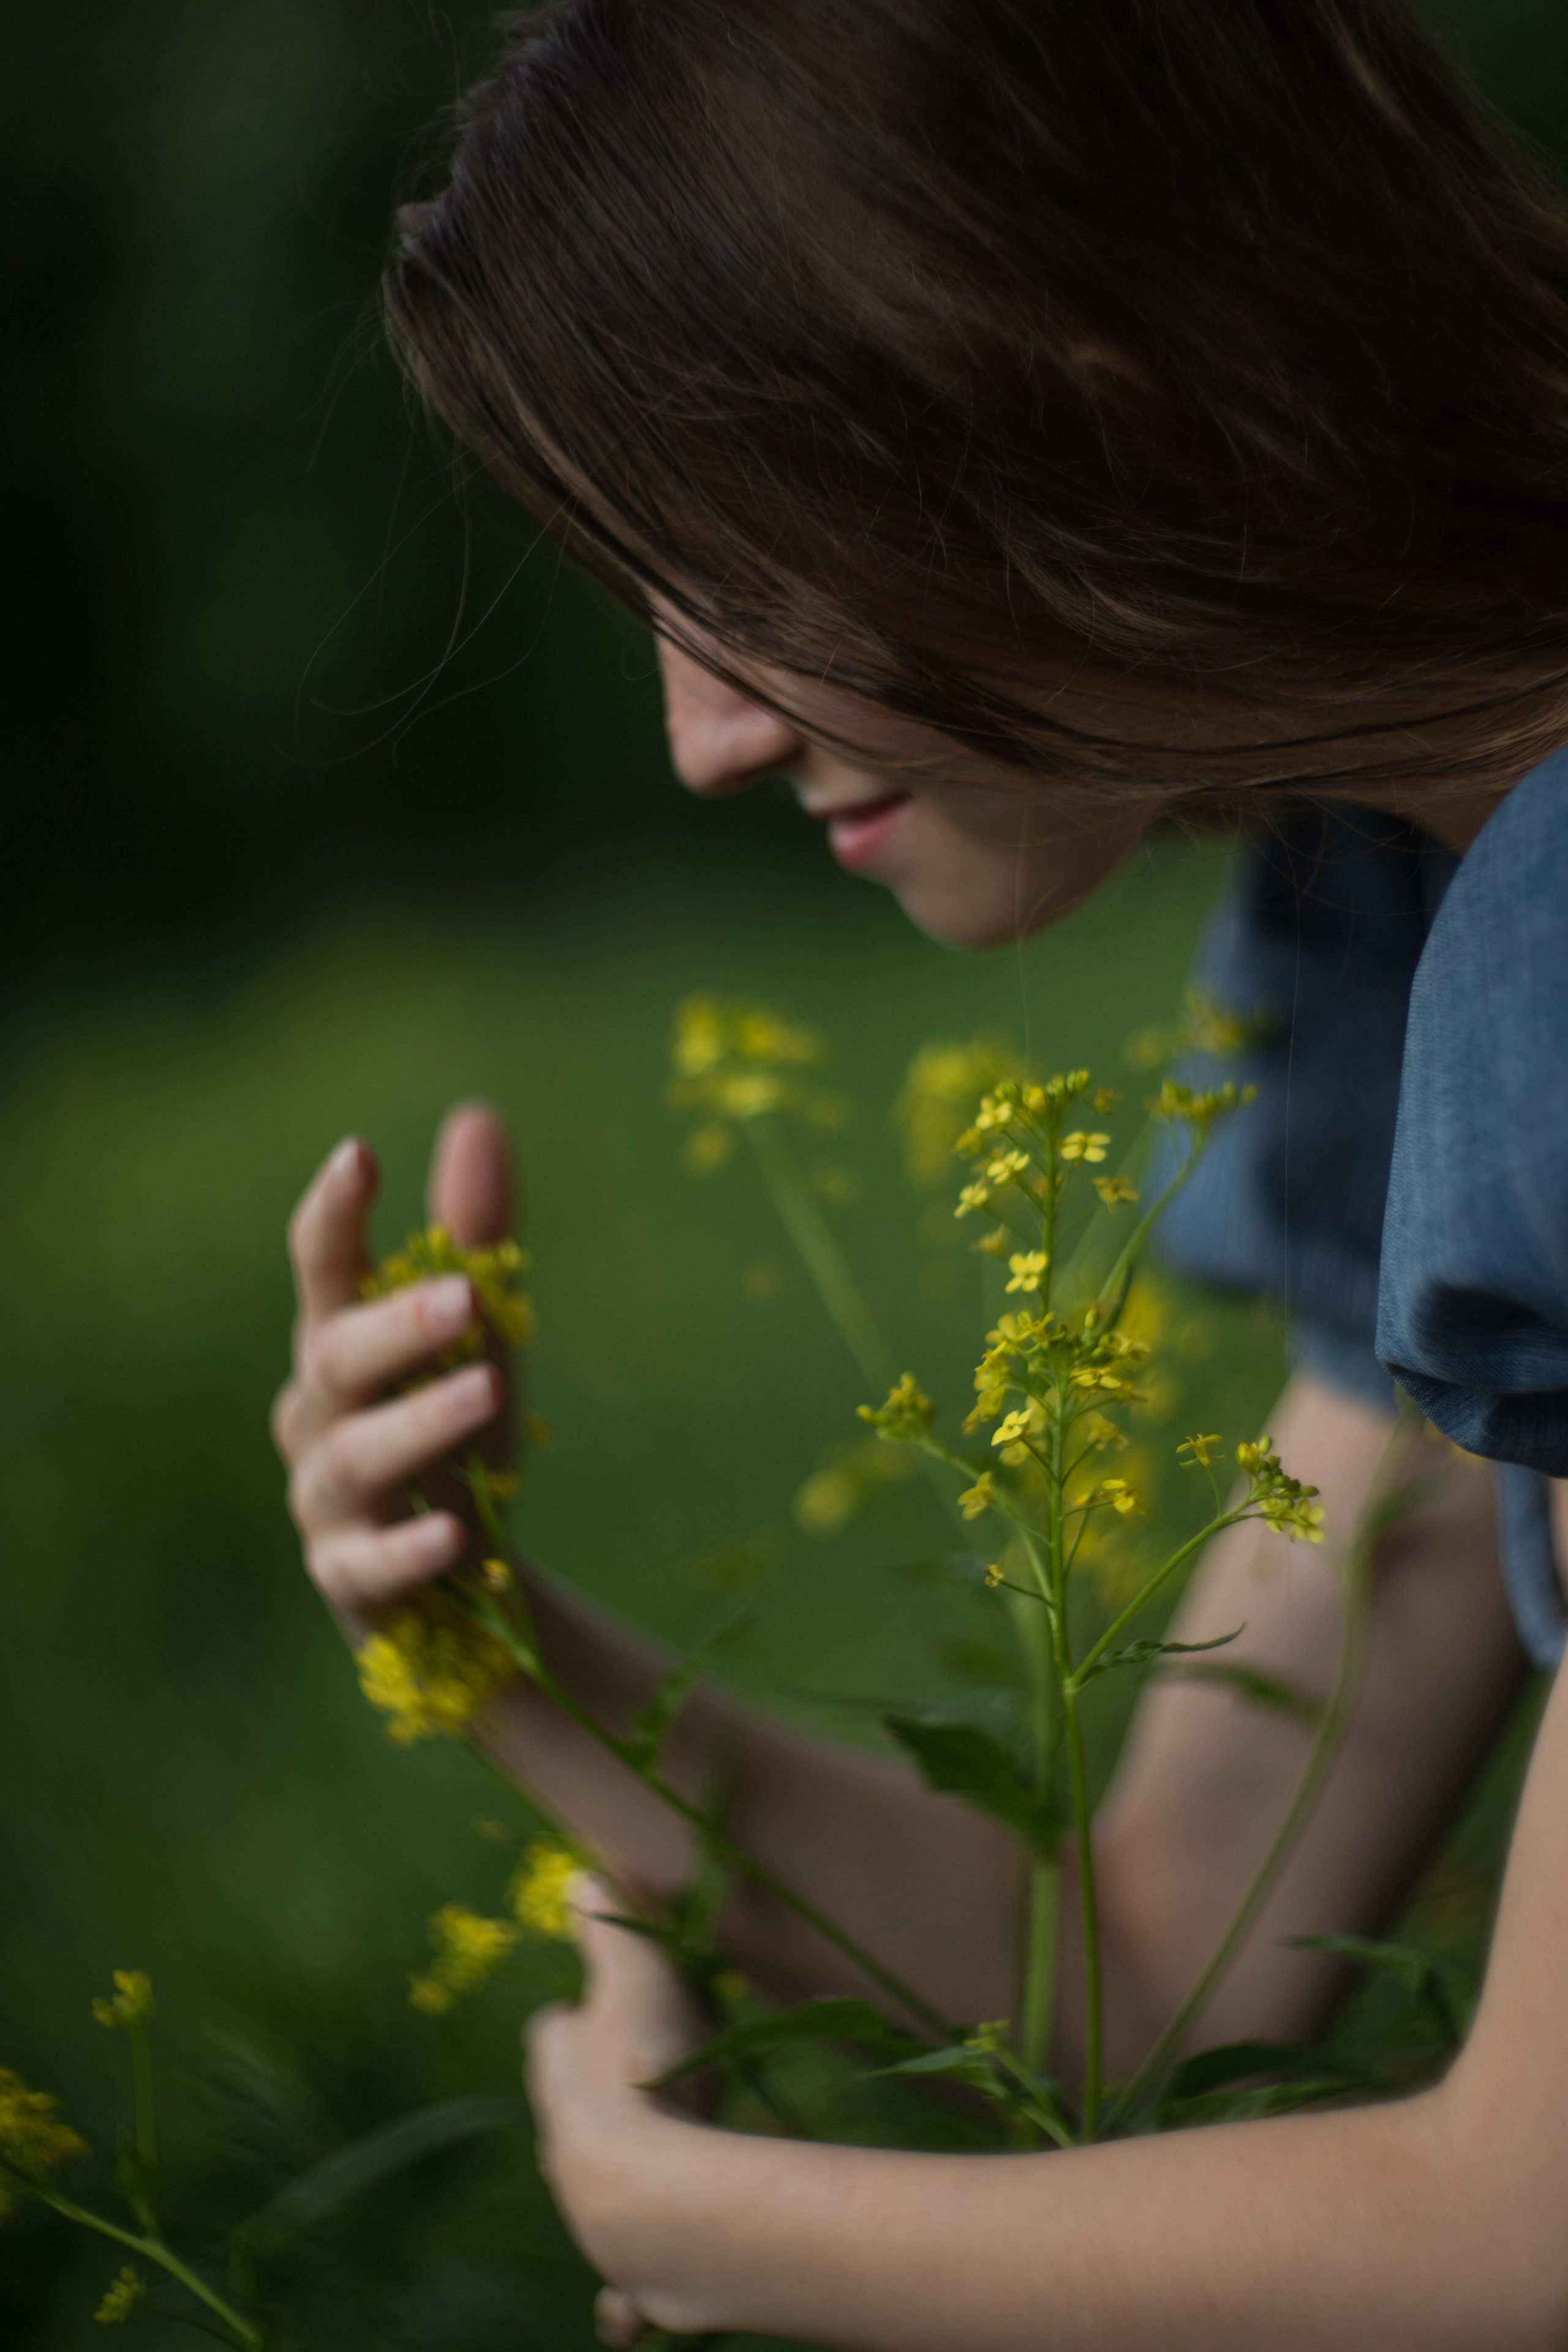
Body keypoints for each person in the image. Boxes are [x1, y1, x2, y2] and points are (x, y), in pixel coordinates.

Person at [271, 3, 1568, 2343]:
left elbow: (1529, 2223)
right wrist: (481, 1639)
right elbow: (1171, 1957)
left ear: (1076, 410)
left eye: (731, 565)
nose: (699, 734)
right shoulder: (1402, 910)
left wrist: (687, 2220)